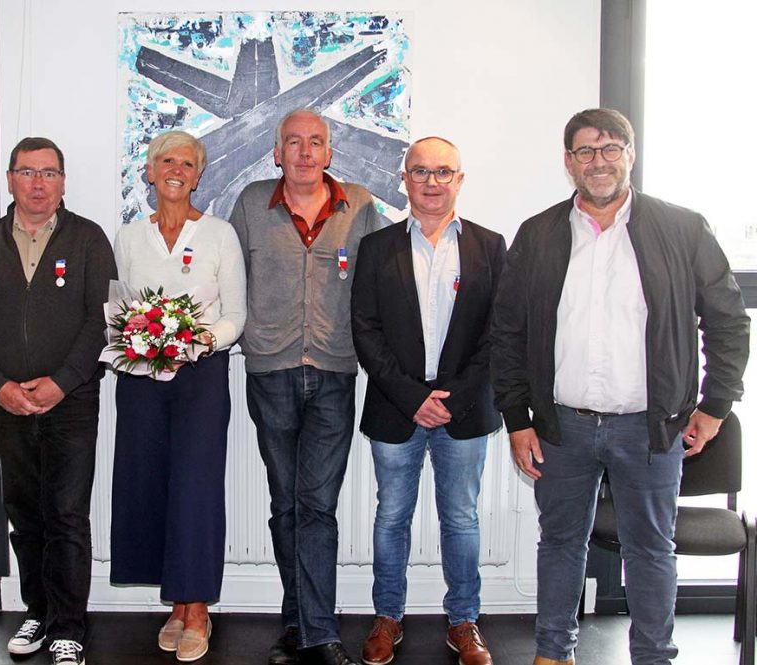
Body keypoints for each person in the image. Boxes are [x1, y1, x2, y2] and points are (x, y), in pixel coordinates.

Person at [491, 108, 749, 665]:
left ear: (631, 155)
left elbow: (728, 319)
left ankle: (654, 657)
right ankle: (553, 653)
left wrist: (716, 405)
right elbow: (507, 332)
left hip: (650, 429)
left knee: (651, 549)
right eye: (585, 151)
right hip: (563, 427)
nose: (599, 161)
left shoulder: (682, 228)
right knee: (559, 544)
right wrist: (517, 418)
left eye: (611, 149)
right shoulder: (538, 234)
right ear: (569, 163)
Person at [229, 108, 383, 665]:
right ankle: (298, 622)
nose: (304, 151)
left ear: (329, 152)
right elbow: (227, 279)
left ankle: (316, 630)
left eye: (315, 142)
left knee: (317, 504)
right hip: (270, 370)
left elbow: (384, 283)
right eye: (293, 142)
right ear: (277, 153)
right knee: (285, 504)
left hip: (337, 371)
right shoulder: (250, 204)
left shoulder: (361, 206)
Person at [0, 137, 116, 665]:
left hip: (70, 401)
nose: (38, 183)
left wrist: (62, 382)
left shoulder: (89, 239)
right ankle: (37, 612)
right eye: (27, 172)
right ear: (10, 179)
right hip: (8, 401)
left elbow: (103, 319)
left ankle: (69, 625)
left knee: (67, 515)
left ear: (63, 181)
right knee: (24, 513)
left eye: (49, 173)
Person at [351, 137, 505, 665]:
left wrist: (452, 398)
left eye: (444, 172)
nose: (432, 182)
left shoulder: (490, 246)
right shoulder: (377, 248)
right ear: (404, 179)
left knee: (461, 517)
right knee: (391, 516)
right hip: (397, 407)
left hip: (465, 409)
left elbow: (498, 334)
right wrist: (414, 397)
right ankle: (387, 617)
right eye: (420, 172)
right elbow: (365, 331)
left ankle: (464, 621)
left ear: (459, 180)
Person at [109, 130, 246, 662]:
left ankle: (197, 609)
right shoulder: (127, 237)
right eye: (166, 160)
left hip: (201, 377)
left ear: (198, 174)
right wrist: (139, 337)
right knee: (148, 485)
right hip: (140, 377)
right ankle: (173, 600)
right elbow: (118, 307)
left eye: (187, 163)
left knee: (196, 489)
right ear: (149, 170)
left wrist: (195, 340)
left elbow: (236, 313)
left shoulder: (219, 234)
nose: (176, 170)